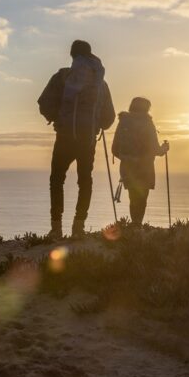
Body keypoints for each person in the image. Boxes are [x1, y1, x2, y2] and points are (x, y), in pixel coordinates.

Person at [38, 40, 115, 239]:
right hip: (87, 139)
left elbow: (43, 102)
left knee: (57, 180)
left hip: (64, 137)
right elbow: (109, 117)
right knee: (85, 181)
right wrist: (96, 124)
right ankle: (78, 227)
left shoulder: (62, 76)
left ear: (72, 55)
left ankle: (56, 228)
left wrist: (56, 118)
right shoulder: (101, 84)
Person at [111, 97, 169, 227]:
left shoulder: (123, 122)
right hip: (145, 168)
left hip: (128, 168)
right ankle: (137, 225)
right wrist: (164, 149)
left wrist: (128, 158)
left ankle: (134, 224)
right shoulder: (147, 123)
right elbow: (155, 149)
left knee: (133, 197)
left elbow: (114, 149)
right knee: (142, 198)